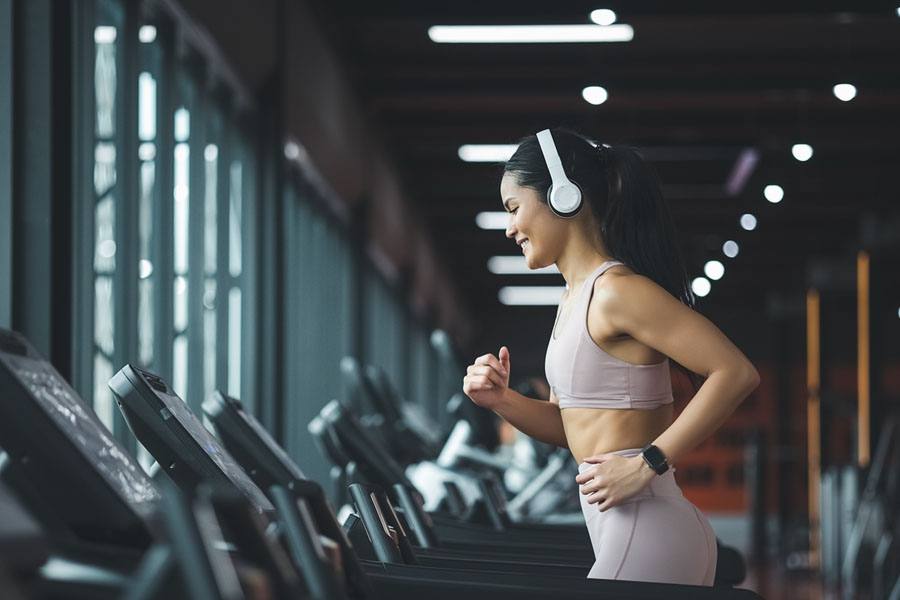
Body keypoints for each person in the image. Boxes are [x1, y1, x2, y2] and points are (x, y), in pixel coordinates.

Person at [462, 128, 760, 585]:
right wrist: (501, 400)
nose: (509, 228)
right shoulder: (574, 301)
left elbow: (735, 372)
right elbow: (574, 428)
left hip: (649, 527)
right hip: (633, 530)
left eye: (514, 208)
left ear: (563, 196)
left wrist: (648, 462)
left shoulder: (617, 292)